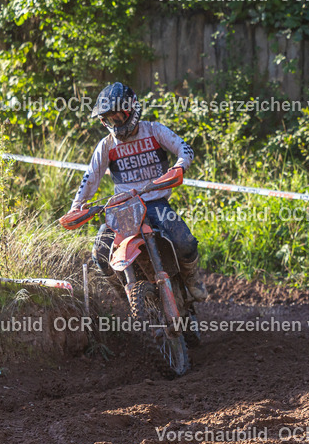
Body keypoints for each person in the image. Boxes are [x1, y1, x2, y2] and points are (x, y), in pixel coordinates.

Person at [67, 82, 207, 302]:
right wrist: (76, 206)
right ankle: (126, 295)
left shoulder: (154, 131)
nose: (114, 124)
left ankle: (191, 278)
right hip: (122, 208)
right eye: (108, 120)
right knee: (100, 255)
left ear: (130, 110)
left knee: (185, 242)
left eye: (117, 118)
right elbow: (90, 177)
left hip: (155, 202)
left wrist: (179, 166)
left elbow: (184, 148)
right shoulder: (106, 145)